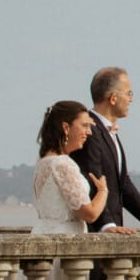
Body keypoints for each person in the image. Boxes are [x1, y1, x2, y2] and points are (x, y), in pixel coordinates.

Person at [77, 66, 140, 235]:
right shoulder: (90, 131)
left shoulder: (109, 132)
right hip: (94, 234)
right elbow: (92, 182)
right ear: (113, 98)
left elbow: (123, 185)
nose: (131, 99)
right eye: (129, 93)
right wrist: (107, 225)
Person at [32, 99, 110, 235]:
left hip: (41, 234)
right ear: (66, 128)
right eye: (85, 126)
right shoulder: (63, 164)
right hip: (63, 242)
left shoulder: (43, 161)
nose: (89, 132)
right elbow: (89, 214)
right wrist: (103, 191)